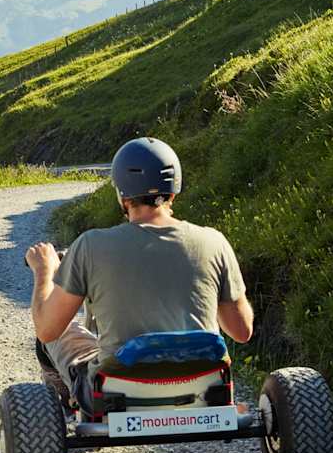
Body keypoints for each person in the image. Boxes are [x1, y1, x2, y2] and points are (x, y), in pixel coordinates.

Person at [25, 137, 255, 405]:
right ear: (174, 189)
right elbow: (241, 331)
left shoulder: (90, 245)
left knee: (60, 335)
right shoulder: (214, 242)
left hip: (116, 392)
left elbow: (47, 329)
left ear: (122, 195)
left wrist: (45, 270)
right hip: (203, 385)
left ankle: (65, 405)